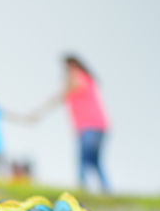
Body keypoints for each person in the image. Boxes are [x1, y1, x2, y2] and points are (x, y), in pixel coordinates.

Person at [29, 55, 111, 193]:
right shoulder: (88, 79)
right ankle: (105, 189)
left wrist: (39, 112)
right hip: (99, 125)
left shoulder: (77, 77)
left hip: (89, 126)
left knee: (84, 160)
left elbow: (60, 95)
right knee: (94, 161)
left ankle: (82, 189)